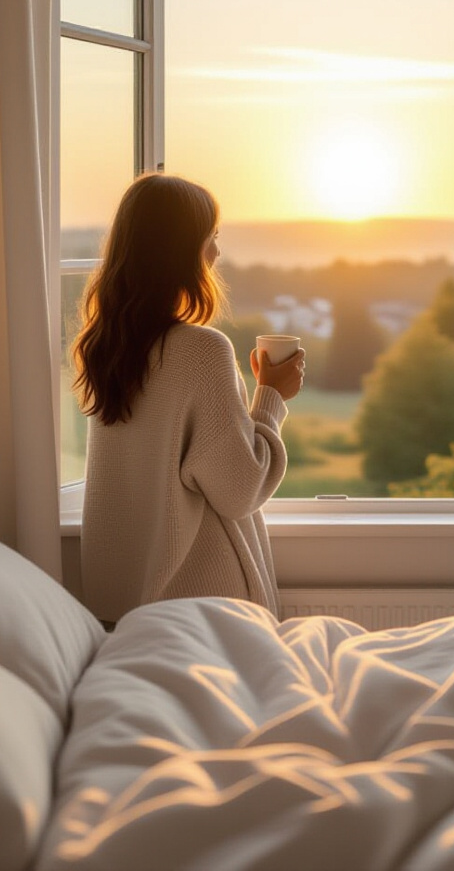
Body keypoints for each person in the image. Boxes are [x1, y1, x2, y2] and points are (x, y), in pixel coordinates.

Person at [74, 173, 305, 624]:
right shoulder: (202, 351)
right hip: (203, 607)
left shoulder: (106, 350)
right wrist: (272, 397)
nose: (216, 252)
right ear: (178, 250)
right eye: (210, 237)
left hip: (125, 610)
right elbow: (240, 491)